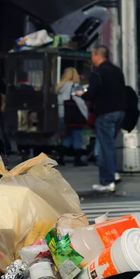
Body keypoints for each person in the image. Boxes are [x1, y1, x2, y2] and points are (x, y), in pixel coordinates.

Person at [79, 45, 125, 192]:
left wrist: (82, 94)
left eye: (92, 55)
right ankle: (112, 175)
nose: (91, 58)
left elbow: (91, 93)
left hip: (105, 112)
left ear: (97, 55)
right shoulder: (117, 71)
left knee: (105, 148)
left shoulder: (97, 73)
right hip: (120, 112)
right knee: (110, 145)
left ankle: (107, 181)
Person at [55, 67, 88, 166]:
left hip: (62, 114)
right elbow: (80, 101)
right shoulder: (75, 86)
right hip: (74, 115)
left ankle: (60, 157)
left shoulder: (60, 86)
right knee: (77, 136)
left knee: (69, 136)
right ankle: (77, 160)